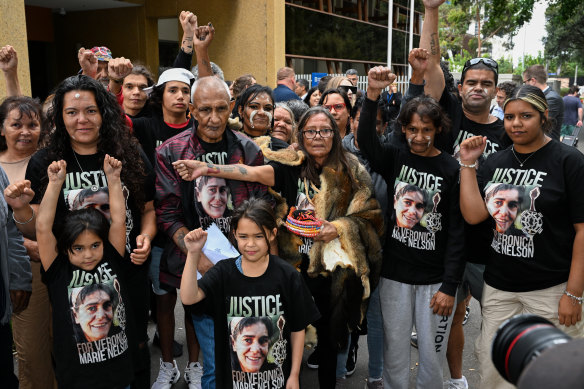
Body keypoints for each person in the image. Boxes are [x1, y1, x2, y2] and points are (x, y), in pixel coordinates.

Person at [174, 106, 383, 389]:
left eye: (325, 130)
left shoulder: (352, 170)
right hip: (293, 269)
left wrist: (340, 228)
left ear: (335, 134)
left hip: (334, 273)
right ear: (301, 135)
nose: (318, 137)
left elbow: (370, 215)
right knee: (285, 331)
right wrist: (207, 168)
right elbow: (250, 172)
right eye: (310, 131)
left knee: (330, 339)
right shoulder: (290, 168)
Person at [18, 74, 156, 388]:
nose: (82, 119)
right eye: (72, 112)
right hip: (69, 282)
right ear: (60, 117)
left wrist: (146, 236)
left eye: (90, 111)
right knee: (80, 351)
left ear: (103, 113)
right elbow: (37, 226)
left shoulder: (129, 155)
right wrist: (18, 209)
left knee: (133, 351)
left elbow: (148, 210)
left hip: (126, 270)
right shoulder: (46, 163)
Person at [458, 84, 584, 389]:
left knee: (552, 374)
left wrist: (574, 294)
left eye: (525, 116)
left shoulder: (569, 161)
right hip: (500, 287)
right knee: (493, 371)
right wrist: (467, 164)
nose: (516, 123)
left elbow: (583, 230)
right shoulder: (495, 163)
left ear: (543, 117)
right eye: (510, 116)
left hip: (551, 291)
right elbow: (474, 215)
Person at [416, 3, 512, 386]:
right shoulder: (447, 114)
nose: (477, 88)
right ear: (460, 87)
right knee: (452, 316)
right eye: (471, 81)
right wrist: (431, 10)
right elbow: (429, 62)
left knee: (498, 319)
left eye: (486, 83)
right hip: (445, 236)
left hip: (489, 243)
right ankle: (457, 380)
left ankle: (500, 376)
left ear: (495, 89)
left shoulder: (509, 133)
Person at [155, 75, 268, 389]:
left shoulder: (248, 150)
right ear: (191, 110)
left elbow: (262, 208)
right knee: (217, 363)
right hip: (201, 270)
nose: (214, 118)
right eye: (205, 110)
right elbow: (167, 213)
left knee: (247, 358)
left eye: (221, 108)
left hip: (246, 269)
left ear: (232, 107)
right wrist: (201, 259)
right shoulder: (171, 152)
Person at [358, 66, 464, 389]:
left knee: (432, 355)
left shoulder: (449, 167)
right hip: (395, 275)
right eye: (413, 129)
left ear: (437, 130)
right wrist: (372, 95)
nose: (419, 137)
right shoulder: (395, 158)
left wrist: (450, 285)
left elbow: (457, 231)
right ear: (403, 129)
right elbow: (366, 142)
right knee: (395, 354)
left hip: (435, 281)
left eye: (426, 130)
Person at [14, 155, 135, 388]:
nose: (88, 254)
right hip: (77, 378)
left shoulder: (112, 259)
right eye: (78, 248)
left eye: (95, 246)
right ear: (65, 247)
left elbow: (118, 220)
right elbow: (42, 226)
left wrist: (113, 179)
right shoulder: (58, 269)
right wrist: (55, 183)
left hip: (119, 373)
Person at [179, 198, 320, 388]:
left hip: (277, 382)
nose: (250, 244)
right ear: (234, 235)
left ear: (272, 234)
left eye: (259, 236)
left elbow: (297, 329)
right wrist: (193, 253)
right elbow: (188, 298)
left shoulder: (287, 276)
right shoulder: (223, 272)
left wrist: (294, 375)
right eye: (243, 236)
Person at [0, 96, 54, 389]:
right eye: (16, 124)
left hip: (60, 263)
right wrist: (24, 245)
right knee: (32, 352)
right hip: (22, 271)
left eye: (32, 124)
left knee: (68, 344)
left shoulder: (52, 162)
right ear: (1, 129)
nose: (24, 131)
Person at [523, 64, 564, 140]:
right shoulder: (539, 96)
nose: (524, 85)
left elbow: (538, 124)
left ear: (532, 81)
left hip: (548, 148)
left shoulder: (552, 98)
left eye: (525, 82)